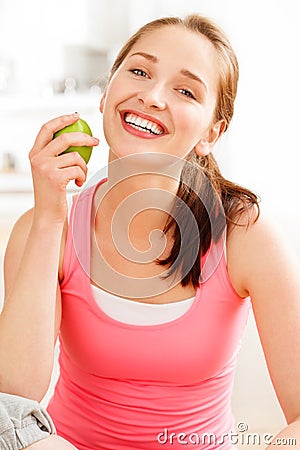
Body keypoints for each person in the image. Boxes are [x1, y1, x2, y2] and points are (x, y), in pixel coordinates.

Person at [0, 13, 299, 450]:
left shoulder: (243, 235)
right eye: (139, 71)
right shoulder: (44, 227)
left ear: (211, 132)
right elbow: (13, 399)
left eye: (185, 90)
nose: (152, 96)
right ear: (106, 94)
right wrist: (49, 216)